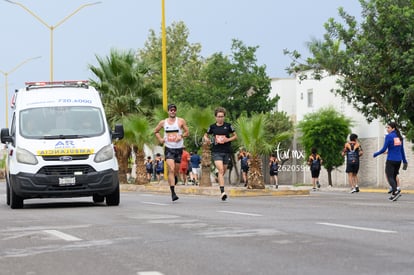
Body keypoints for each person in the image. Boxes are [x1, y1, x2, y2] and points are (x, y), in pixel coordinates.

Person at [154, 103, 189, 201]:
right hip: (169, 148)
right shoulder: (163, 122)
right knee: (171, 169)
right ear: (168, 111)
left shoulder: (181, 121)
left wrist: (181, 136)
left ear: (176, 111)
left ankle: (175, 178)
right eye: (171, 110)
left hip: (178, 148)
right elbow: (155, 131)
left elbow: (187, 132)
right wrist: (160, 139)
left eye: (174, 110)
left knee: (176, 170)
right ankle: (173, 193)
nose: (172, 111)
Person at [204, 107, 237, 201]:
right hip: (216, 151)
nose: (220, 118)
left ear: (224, 117)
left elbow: (235, 136)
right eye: (218, 116)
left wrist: (228, 139)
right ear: (215, 117)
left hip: (226, 151)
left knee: (222, 172)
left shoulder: (228, 126)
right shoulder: (212, 127)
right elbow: (206, 135)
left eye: (222, 116)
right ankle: (222, 192)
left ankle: (218, 177)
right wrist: (207, 140)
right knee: (221, 170)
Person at [373, 122, 408, 201]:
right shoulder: (400, 137)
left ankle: (395, 191)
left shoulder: (388, 136)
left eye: (388, 128)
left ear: (393, 128)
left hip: (391, 160)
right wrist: (405, 161)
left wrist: (376, 154)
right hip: (398, 161)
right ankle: (394, 195)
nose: (387, 129)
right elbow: (402, 150)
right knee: (394, 176)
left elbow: (384, 149)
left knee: (390, 176)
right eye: (386, 128)